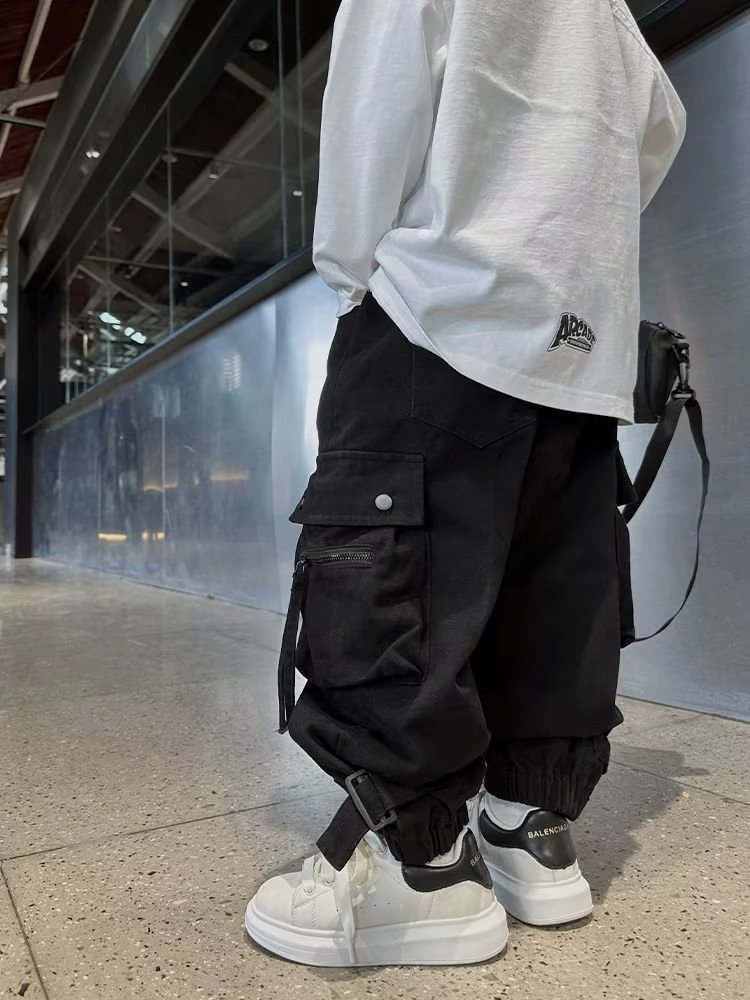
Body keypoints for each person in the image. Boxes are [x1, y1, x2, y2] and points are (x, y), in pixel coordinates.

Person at [246, 0, 685, 967]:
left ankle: (414, 869)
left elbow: (374, 116)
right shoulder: (609, 16)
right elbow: (659, 127)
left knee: (395, 574)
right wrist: (561, 249)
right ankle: (534, 829)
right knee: (555, 580)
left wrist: (356, 275)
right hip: (581, 345)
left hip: (440, 314)